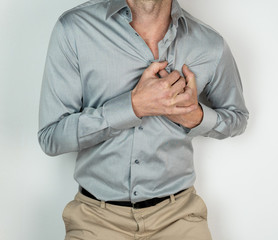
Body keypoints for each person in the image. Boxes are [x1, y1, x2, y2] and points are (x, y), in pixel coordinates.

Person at [38, 0, 249, 239]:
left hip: (179, 218)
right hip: (96, 220)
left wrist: (195, 116)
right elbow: (51, 137)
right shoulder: (75, 29)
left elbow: (237, 117)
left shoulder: (210, 44)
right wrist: (132, 106)